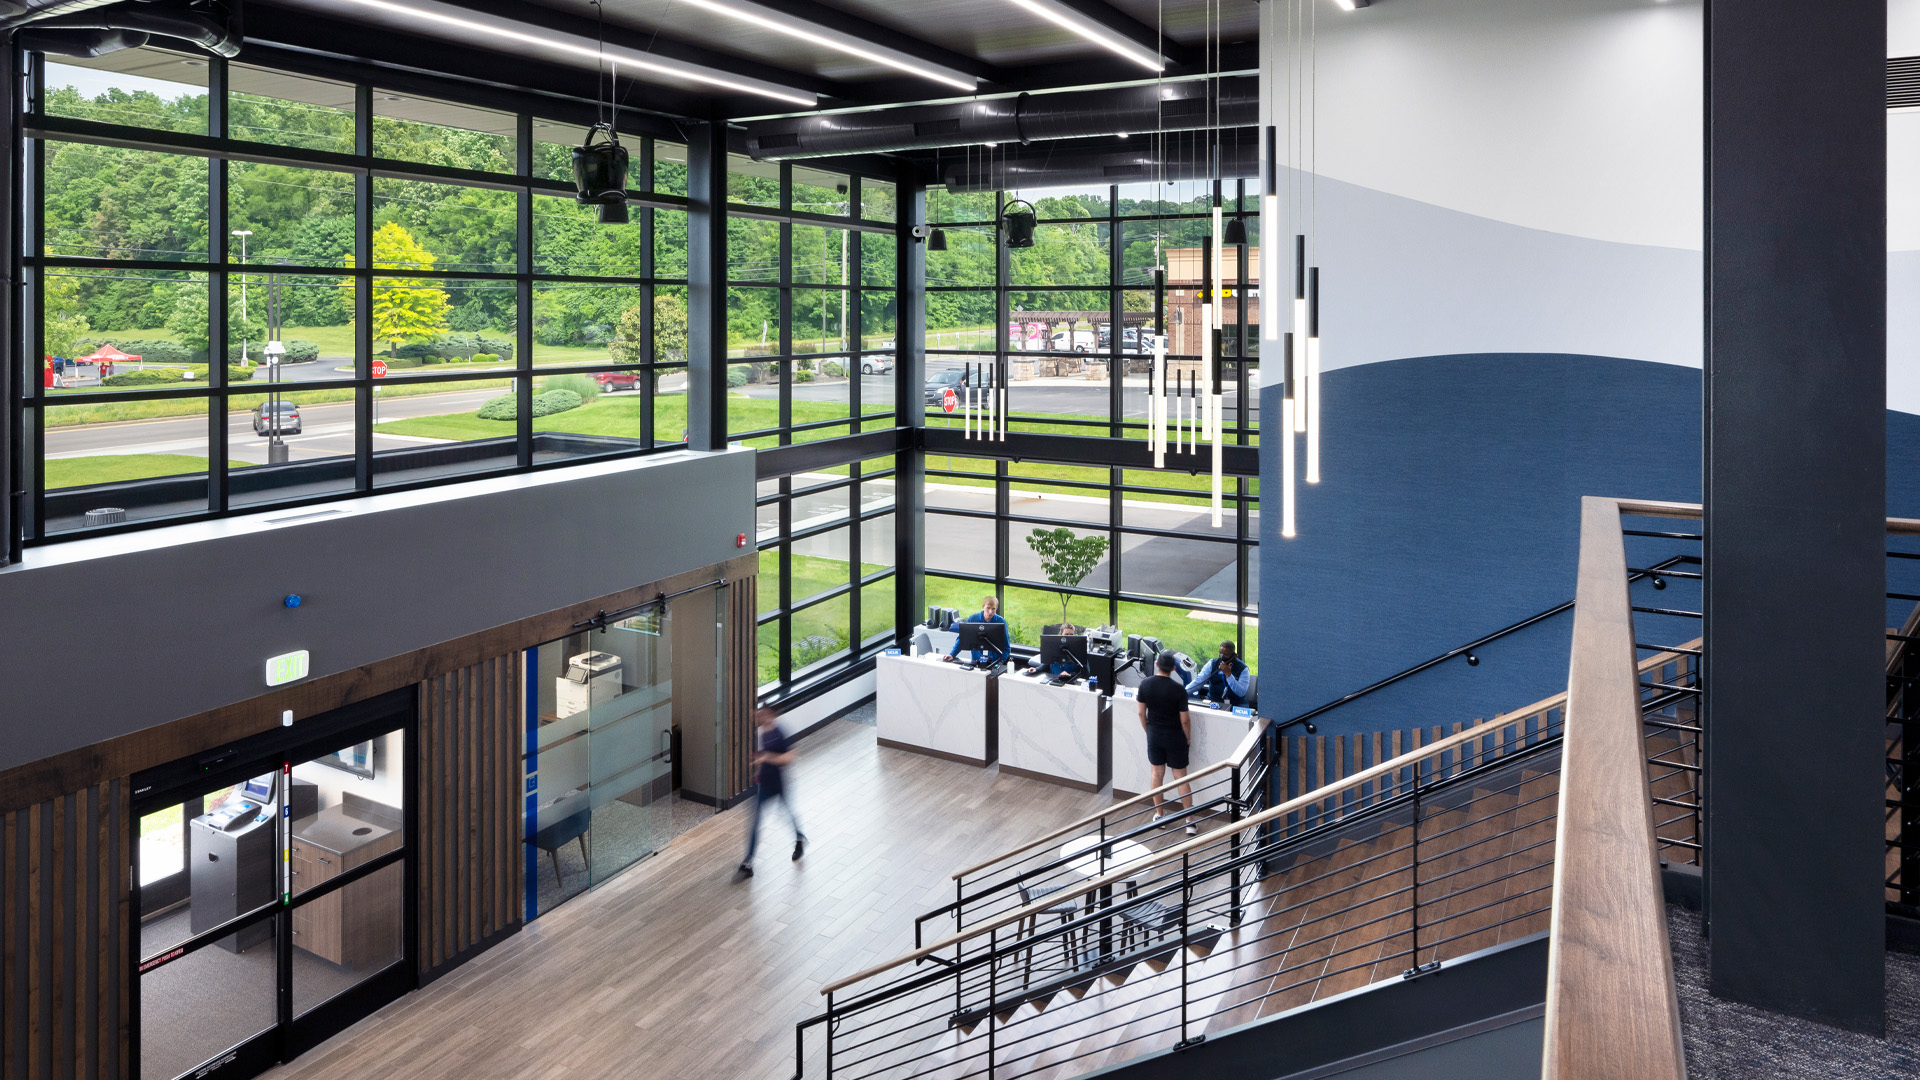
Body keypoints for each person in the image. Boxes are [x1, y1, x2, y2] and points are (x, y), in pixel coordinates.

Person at [739, 707, 805, 877]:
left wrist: (766, 757)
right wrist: (758, 770)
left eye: (760, 715)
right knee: (755, 823)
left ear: (770, 714)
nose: (758, 718)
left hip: (778, 784)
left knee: (786, 813)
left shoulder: (781, 732)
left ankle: (799, 838)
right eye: (756, 716)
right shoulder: (762, 732)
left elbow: (789, 758)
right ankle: (748, 861)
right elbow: (765, 758)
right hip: (764, 784)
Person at [1138, 651, 1197, 835]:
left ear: (1156, 664)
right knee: (1181, 777)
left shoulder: (1145, 684)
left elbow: (1141, 713)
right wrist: (1187, 737)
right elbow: (1185, 720)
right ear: (1173, 668)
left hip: (1155, 735)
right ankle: (1189, 822)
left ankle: (1160, 816)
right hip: (1175, 736)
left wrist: (1149, 732)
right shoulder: (1179, 690)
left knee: (1157, 774)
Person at [942, 595, 1008, 666]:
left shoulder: (1001, 621)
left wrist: (1001, 661)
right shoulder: (973, 619)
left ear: (996, 608)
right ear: (983, 607)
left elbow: (1006, 646)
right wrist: (952, 654)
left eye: (993, 609)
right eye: (988, 608)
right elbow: (962, 639)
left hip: (995, 662)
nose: (990, 612)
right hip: (976, 662)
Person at [1186, 641, 1252, 707]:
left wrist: (1229, 675)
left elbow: (1241, 692)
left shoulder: (1243, 669)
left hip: (1236, 703)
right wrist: (1183, 692)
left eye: (1226, 654)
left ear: (1233, 655)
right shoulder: (1212, 663)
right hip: (1213, 700)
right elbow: (1198, 681)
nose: (1222, 657)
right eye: (1220, 653)